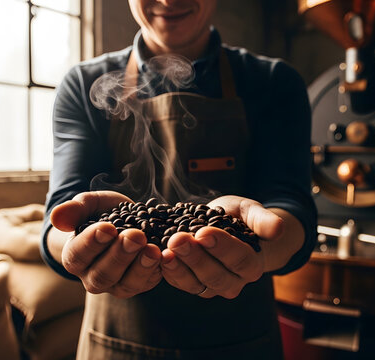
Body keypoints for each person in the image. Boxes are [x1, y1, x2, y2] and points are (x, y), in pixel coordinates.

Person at [40, 0, 317, 358]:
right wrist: (78, 245)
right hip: (116, 343)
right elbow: (58, 219)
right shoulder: (82, 85)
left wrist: (262, 249)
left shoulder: (274, 82)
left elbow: (292, 207)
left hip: (242, 341)